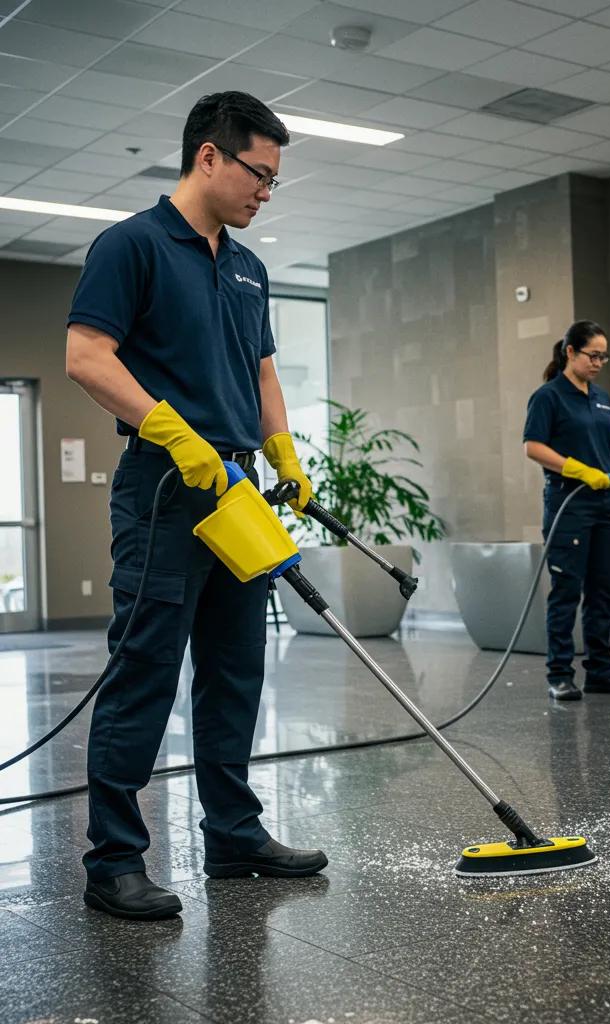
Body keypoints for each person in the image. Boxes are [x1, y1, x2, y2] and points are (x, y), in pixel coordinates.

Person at [65, 92, 326, 921]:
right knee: (144, 669)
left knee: (234, 668)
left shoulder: (249, 265)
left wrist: (280, 451)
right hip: (166, 490)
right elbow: (84, 356)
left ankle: (233, 832)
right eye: (259, 173)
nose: (266, 193)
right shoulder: (133, 245)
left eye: (274, 181)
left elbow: (262, 372)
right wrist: (174, 432)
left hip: (240, 488)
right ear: (208, 157)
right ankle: (114, 860)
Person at [523, 321, 610, 701]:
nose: (598, 362)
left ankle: (600, 672)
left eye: (603, 356)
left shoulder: (601, 397)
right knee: (566, 591)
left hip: (606, 506)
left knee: (603, 590)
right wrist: (577, 469)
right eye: (592, 355)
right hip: (568, 504)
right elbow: (533, 446)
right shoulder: (548, 397)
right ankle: (559, 674)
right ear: (570, 352)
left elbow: (603, 444)